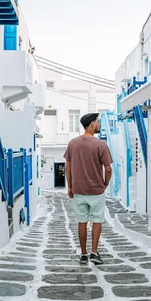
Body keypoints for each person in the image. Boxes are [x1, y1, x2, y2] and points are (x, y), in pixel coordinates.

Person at [64, 112, 112, 265]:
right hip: (96, 191)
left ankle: (83, 254)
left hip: (79, 190)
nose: (99, 124)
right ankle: (94, 252)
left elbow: (67, 167)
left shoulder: (72, 143)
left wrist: (70, 187)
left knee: (82, 221)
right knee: (97, 221)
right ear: (92, 124)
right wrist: (105, 184)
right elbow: (108, 169)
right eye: (98, 122)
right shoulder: (100, 145)